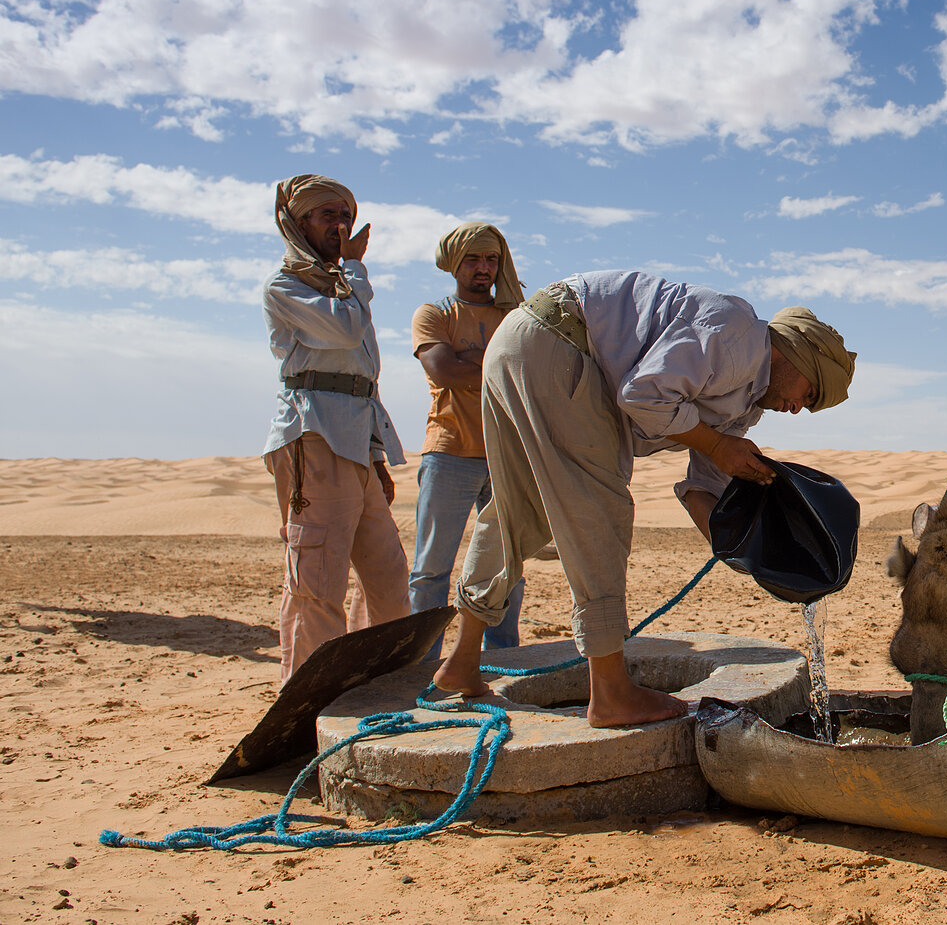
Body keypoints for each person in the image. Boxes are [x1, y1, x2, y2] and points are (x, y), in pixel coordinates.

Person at [431, 270, 855, 727]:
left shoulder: (743, 403)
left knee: (519, 511)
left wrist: (752, 551)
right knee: (599, 512)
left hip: (521, 343)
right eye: (808, 393)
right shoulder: (740, 336)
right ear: (796, 354)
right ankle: (611, 693)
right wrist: (714, 445)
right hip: (560, 344)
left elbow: (702, 488)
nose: (798, 408)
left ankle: (460, 664)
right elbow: (644, 395)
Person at [261, 174, 410, 682]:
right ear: (299, 224)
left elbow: (361, 378)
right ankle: (305, 707)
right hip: (315, 439)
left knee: (388, 578)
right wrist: (355, 266)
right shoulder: (287, 287)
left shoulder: (345, 289)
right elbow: (344, 334)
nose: (341, 226)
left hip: (355, 445)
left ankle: (378, 686)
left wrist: (374, 457)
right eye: (328, 216)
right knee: (317, 583)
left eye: (345, 215)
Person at [407, 223, 526, 659]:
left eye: (491, 260)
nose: (484, 268)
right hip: (450, 452)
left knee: (506, 567)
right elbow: (444, 371)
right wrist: (493, 363)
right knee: (431, 571)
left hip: (506, 456)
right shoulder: (434, 314)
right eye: (474, 259)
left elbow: (529, 374)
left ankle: (502, 659)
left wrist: (471, 359)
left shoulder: (516, 318)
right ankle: (421, 663)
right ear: (455, 264)